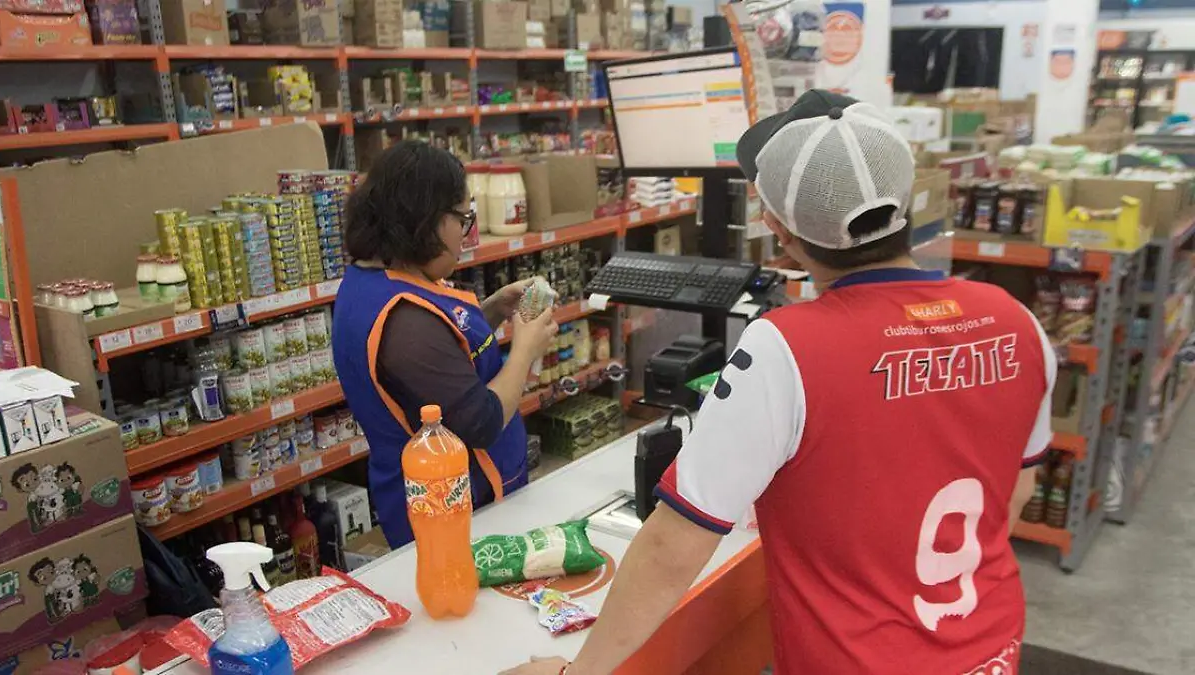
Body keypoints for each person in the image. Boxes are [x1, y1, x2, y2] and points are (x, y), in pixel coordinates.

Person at [502, 90, 1054, 674]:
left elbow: (671, 547)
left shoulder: (786, 348)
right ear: (906, 202)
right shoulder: (1017, 321)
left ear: (778, 231)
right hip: (989, 650)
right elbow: (1012, 495)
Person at [332, 141, 558, 548]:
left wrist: (488, 313)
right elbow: (481, 422)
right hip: (452, 513)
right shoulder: (404, 320)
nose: (466, 235)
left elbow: (441, 361)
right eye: (463, 219)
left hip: (449, 501)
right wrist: (525, 348)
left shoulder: (373, 282)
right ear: (428, 221)